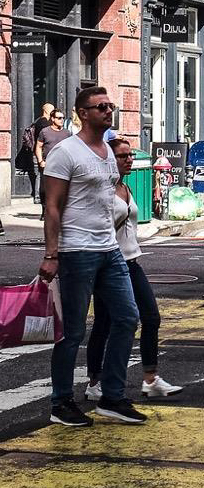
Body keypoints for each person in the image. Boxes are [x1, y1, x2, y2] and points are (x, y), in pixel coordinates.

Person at [39, 86, 145, 427]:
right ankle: (61, 402)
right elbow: (51, 206)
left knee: (127, 317)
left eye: (110, 106)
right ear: (82, 113)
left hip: (109, 250)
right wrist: (51, 254)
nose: (107, 111)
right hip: (76, 250)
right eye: (101, 107)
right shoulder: (65, 152)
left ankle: (111, 397)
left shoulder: (107, 152)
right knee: (72, 332)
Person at [85, 138, 182, 401]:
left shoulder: (126, 187)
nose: (128, 159)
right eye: (122, 156)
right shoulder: (102, 190)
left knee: (151, 317)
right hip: (108, 266)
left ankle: (150, 379)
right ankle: (95, 381)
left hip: (131, 262)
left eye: (129, 155)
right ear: (109, 160)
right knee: (104, 324)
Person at [35, 109, 71, 219]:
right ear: (53, 119)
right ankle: (45, 210)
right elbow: (38, 146)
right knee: (44, 189)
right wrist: (40, 161)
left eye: (62, 118)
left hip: (62, 165)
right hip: (47, 164)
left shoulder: (67, 133)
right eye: (59, 118)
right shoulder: (45, 132)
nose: (61, 120)